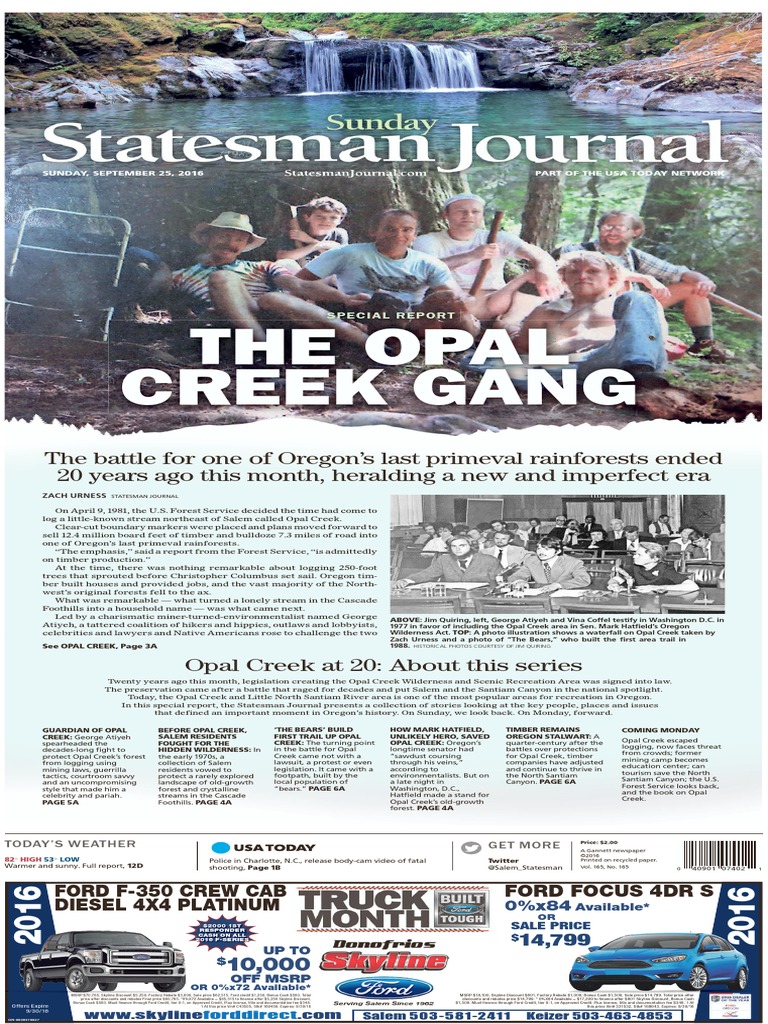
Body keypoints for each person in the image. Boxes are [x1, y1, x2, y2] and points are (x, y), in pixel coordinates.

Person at [170, 211, 369, 347]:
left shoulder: (261, 266)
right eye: (224, 236)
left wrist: (343, 299)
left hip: (272, 319)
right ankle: (262, 350)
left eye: (238, 239)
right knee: (222, 277)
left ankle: (368, 343)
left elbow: (298, 285)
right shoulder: (179, 275)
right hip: (226, 323)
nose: (231, 243)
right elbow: (176, 312)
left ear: (245, 245)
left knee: (272, 298)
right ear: (207, 238)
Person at [554, 210, 724, 361]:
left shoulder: (634, 255)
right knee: (623, 283)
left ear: (635, 232)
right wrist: (644, 278)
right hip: (591, 310)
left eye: (620, 228)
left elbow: (676, 272)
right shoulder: (577, 249)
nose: (612, 232)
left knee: (693, 287)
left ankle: (704, 344)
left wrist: (704, 280)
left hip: (634, 308)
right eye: (607, 227)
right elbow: (605, 268)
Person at [297, 208, 479, 335]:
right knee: (383, 301)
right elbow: (299, 282)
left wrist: (461, 303)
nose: (399, 235)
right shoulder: (348, 253)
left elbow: (453, 296)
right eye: (390, 229)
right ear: (373, 231)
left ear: (415, 235)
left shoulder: (428, 263)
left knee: (450, 300)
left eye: (406, 230)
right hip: (363, 312)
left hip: (412, 317)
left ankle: (457, 346)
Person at [513, 251, 669, 379]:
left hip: (621, 358)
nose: (582, 276)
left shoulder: (633, 305)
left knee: (638, 297)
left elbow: (653, 341)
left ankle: (640, 373)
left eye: (592, 271)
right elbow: (524, 352)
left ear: (612, 278)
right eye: (574, 271)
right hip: (577, 366)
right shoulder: (546, 312)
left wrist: (589, 339)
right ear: (564, 278)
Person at [412, 192, 562, 322]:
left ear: (481, 215)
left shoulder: (499, 238)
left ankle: (509, 321)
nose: (468, 216)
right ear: (446, 214)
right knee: (440, 275)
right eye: (461, 211)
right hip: (456, 302)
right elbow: (427, 269)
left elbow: (538, 254)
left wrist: (544, 271)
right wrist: (472, 255)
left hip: (496, 300)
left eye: (475, 212)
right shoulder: (428, 241)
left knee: (541, 272)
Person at [394, 536, 502, 587]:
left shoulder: (489, 560)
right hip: (452, 598)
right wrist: (407, 580)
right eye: (453, 546)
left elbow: (500, 582)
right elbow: (428, 573)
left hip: (480, 598)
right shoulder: (444, 559)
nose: (457, 549)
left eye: (462, 545)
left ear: (472, 546)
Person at [274, 196, 349, 267]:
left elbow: (341, 257)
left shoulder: (339, 234)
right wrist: (316, 246)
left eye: (333, 217)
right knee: (284, 263)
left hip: (326, 275)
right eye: (320, 216)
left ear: (340, 220)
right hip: (298, 275)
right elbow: (282, 257)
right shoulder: (295, 233)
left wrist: (310, 240)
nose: (326, 221)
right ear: (307, 217)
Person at [507, 533, 592, 592]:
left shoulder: (573, 562)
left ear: (558, 551)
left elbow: (583, 579)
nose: (541, 552)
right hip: (541, 597)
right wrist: (519, 581)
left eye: (547, 549)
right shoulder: (531, 560)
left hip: (563, 596)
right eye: (539, 549)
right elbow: (517, 576)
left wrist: (558, 585)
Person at [608, 542, 699, 594]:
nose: (634, 557)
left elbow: (693, 586)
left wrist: (655, 587)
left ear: (655, 558)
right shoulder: (635, 566)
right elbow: (618, 578)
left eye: (639, 555)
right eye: (635, 554)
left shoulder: (666, 569)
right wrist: (614, 583)